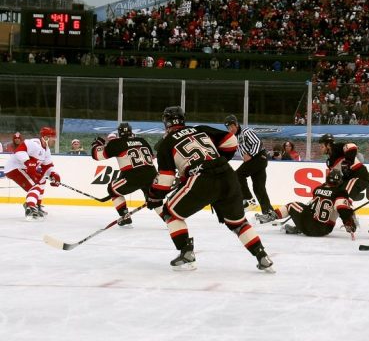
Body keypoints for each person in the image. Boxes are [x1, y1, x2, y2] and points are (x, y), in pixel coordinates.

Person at [148, 106, 274, 272]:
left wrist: (154, 197)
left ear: (165, 122)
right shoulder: (200, 129)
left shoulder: (165, 143)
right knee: (237, 223)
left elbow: (165, 180)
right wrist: (217, 160)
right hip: (228, 176)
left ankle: (186, 253)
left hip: (203, 180)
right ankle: (262, 256)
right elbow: (231, 141)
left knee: (170, 213)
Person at [91, 122, 158, 227]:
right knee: (154, 198)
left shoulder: (116, 143)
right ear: (131, 132)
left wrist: (97, 144)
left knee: (112, 189)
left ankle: (125, 216)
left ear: (119, 133)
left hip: (133, 177)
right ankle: (168, 218)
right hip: (152, 175)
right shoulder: (142, 140)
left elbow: (97, 155)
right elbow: (152, 157)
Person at [223, 114, 276, 223]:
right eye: (228, 128)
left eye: (231, 126)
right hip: (256, 161)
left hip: (258, 158)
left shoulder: (246, 132)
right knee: (259, 188)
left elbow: (257, 142)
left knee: (237, 174)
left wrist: (250, 155)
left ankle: (248, 200)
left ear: (236, 124)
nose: (230, 129)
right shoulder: (235, 138)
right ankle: (269, 213)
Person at [275, 168, 357, 237]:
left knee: (292, 205)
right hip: (325, 230)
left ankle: (273, 215)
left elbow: (312, 207)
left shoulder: (318, 189)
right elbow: (342, 209)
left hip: (309, 226)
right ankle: (299, 227)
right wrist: (348, 223)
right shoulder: (340, 192)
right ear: (339, 181)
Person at [4, 127, 61, 220]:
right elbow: (19, 151)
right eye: (53, 138)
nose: (54, 140)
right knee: (35, 186)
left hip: (25, 169)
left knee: (42, 180)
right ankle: (30, 208)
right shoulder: (34, 143)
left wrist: (53, 174)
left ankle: (37, 205)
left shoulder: (46, 150)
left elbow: (47, 166)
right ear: (45, 138)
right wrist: (27, 162)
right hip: (14, 168)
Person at [318, 133, 369, 201]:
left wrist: (348, 162)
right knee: (335, 194)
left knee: (344, 195)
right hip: (349, 179)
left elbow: (352, 146)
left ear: (328, 145)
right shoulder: (330, 161)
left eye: (322, 146)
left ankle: (347, 206)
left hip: (360, 176)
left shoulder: (337, 147)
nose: (321, 149)